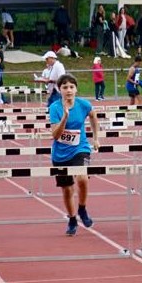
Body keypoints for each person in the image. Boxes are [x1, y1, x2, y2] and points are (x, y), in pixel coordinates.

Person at [49, 73, 100, 235]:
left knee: (82, 178)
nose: (69, 90)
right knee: (67, 189)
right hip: (60, 154)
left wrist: (96, 138)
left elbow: (93, 117)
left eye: (71, 87)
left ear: (76, 89)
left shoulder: (84, 104)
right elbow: (55, 135)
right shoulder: (55, 108)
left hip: (80, 148)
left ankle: (82, 208)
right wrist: (65, 117)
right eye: (65, 87)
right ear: (60, 90)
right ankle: (72, 219)